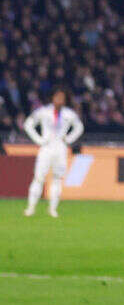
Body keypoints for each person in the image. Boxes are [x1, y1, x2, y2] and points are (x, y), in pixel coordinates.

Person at [22, 90, 83, 218]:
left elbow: (79, 127)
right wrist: (39, 140)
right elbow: (28, 124)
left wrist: (69, 139)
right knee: (39, 177)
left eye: (62, 97)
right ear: (52, 98)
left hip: (61, 148)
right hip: (46, 147)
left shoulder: (69, 114)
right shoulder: (43, 111)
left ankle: (53, 209)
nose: (59, 100)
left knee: (57, 179)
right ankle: (30, 208)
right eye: (57, 97)